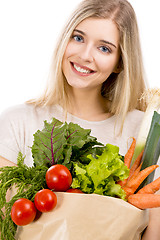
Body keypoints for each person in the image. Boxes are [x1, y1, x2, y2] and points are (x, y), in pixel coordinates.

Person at [0, 0, 159, 239]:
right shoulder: (17, 122)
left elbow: (151, 231)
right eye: (78, 38)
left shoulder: (144, 132)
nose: (85, 55)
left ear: (120, 63)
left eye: (104, 48)